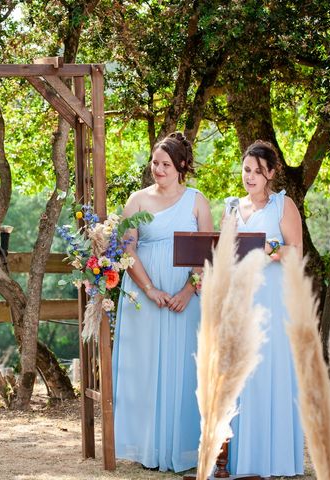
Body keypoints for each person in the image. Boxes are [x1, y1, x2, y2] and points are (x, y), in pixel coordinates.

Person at [111, 132, 213, 472]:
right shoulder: (137, 200)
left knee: (185, 368)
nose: (158, 169)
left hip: (186, 296)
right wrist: (150, 289)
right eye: (155, 162)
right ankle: (148, 448)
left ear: (182, 166)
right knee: (146, 368)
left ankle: (183, 449)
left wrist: (188, 290)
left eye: (166, 164)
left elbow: (207, 252)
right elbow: (127, 248)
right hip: (145, 296)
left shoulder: (197, 200)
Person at [225, 140, 304, 477]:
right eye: (246, 170)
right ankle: (242, 458)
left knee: (269, 370)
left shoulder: (283, 206)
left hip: (272, 297)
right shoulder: (231, 207)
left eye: (258, 171)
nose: (250, 176)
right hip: (240, 297)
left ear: (271, 173)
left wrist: (271, 250)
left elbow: (297, 252)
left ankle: (274, 459)